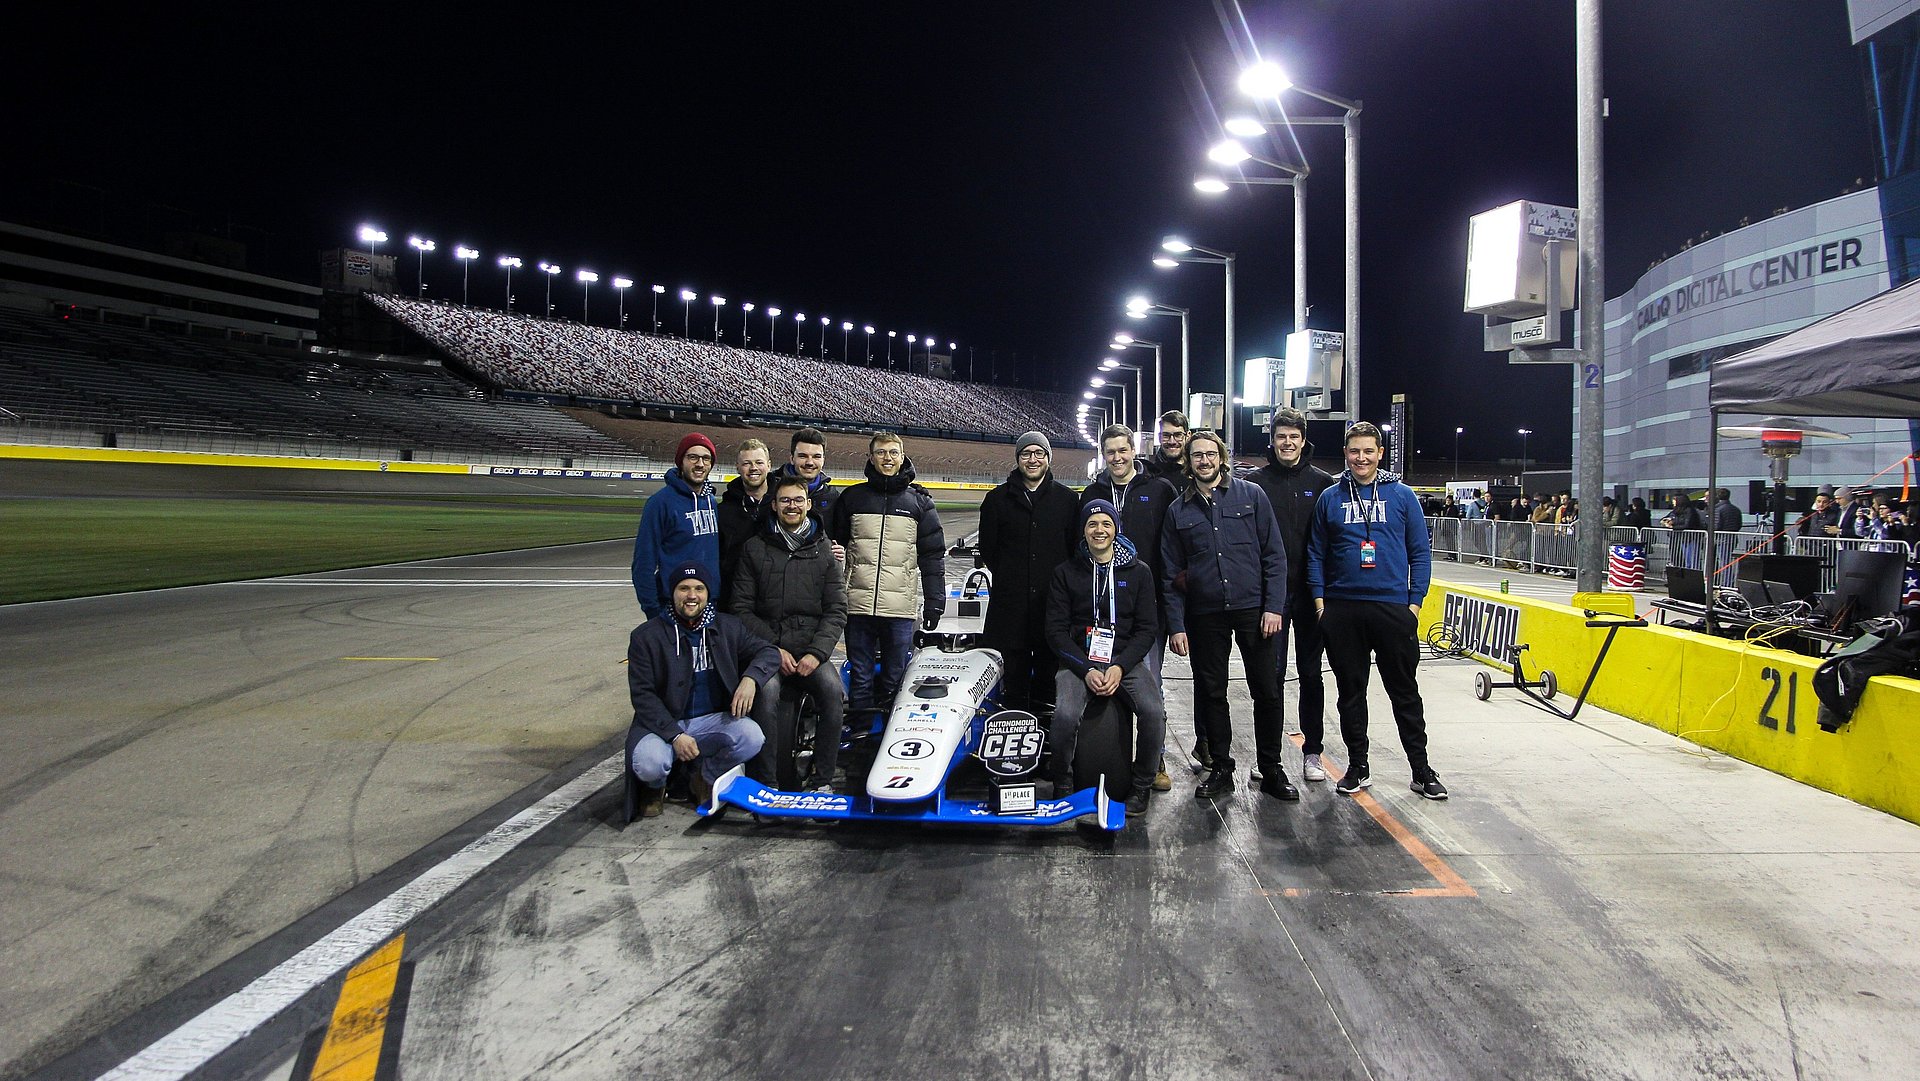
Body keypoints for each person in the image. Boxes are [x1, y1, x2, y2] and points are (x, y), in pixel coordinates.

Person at [1306, 421, 1446, 801]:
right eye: (1354, 451)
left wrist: (1413, 604)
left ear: (1380, 453)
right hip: (1343, 609)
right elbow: (1316, 552)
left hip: (1392, 608)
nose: (1361, 458)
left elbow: (1420, 552)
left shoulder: (1401, 496)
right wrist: (1321, 604)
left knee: (1405, 693)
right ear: (1346, 453)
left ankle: (1420, 769)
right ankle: (1358, 766)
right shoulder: (1330, 498)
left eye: (1368, 451)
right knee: (1351, 694)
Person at [1161, 428, 1293, 802]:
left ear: (1221, 457)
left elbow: (1274, 556)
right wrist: (1176, 625)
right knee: (1211, 691)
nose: (1204, 460)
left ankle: (1271, 768)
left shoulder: (1251, 495)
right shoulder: (1177, 510)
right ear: (1188, 462)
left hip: (1254, 610)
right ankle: (1221, 767)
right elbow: (1170, 574)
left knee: (1267, 690)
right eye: (1196, 455)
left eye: (1210, 454)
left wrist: (1273, 606)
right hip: (1205, 615)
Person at [625, 563, 780, 818]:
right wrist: (675, 735)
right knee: (649, 764)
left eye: (699, 588)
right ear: (672, 593)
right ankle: (655, 787)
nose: (692, 595)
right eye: (683, 588)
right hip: (665, 724)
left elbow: (769, 652)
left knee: (752, 736)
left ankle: (704, 775)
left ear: (708, 594)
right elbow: (643, 696)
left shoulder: (727, 626)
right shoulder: (646, 636)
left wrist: (751, 678)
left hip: (710, 721)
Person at [1045, 500, 1166, 816]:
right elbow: (1055, 632)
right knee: (1064, 717)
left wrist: (1121, 665)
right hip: (1078, 661)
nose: (1099, 530)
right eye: (1092, 524)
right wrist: (1085, 669)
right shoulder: (1066, 572)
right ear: (1084, 531)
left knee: (1154, 713)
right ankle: (1063, 785)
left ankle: (1141, 786)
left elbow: (1146, 628)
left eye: (1106, 524)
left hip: (1123, 660)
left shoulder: (1139, 572)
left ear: (1116, 530)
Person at [730, 473, 848, 792]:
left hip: (811, 650)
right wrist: (772, 648)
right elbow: (741, 609)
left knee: (833, 694)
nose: (792, 506)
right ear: (775, 505)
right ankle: (767, 782)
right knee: (765, 695)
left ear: (809, 505)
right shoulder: (755, 549)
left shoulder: (824, 552)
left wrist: (817, 653)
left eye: (798, 500)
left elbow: (837, 609)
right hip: (769, 651)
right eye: (785, 500)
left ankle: (822, 781)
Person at [1082, 422, 1179, 788]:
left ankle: (1155, 761)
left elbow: (1171, 547)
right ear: (1103, 456)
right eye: (1111, 452)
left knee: (1149, 685)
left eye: (1123, 450)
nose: (1117, 458)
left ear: (1134, 450)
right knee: (1106, 684)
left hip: (1146, 610)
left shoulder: (1160, 489)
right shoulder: (1093, 491)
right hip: (1099, 610)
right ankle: (1112, 756)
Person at [1244, 407, 1337, 783]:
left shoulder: (1324, 482)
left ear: (1303, 439)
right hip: (1271, 598)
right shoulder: (1255, 483)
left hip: (1311, 596)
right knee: (1271, 677)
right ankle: (1269, 756)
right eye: (1281, 436)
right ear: (1273, 440)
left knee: (1311, 674)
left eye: (1294, 436)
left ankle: (1312, 751)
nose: (1287, 443)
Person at [830, 430, 946, 719]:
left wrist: (935, 601)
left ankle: (888, 733)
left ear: (902, 456)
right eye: (881, 452)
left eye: (893, 452)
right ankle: (860, 729)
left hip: (899, 609)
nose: (887, 458)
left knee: (896, 676)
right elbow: (831, 548)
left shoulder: (919, 503)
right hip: (856, 605)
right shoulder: (852, 498)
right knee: (860, 673)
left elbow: (932, 557)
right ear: (871, 457)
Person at [978, 431, 1080, 717]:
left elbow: (1074, 552)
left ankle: (1047, 740)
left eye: (1039, 453)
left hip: (1053, 608)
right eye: (1026, 454)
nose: (1033, 459)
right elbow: (989, 550)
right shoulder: (997, 500)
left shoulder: (1068, 501)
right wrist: (1014, 578)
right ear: (1018, 459)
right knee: (1013, 684)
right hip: (1010, 611)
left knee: (1049, 682)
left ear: (1048, 458)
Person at [632, 432, 720, 619]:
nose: (700, 464)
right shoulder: (660, 503)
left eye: (706, 458)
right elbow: (643, 563)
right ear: (681, 461)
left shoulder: (711, 502)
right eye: (693, 457)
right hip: (672, 607)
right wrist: (653, 611)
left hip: (709, 605)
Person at [716, 438, 772, 605]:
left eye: (759, 462)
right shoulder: (723, 511)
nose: (753, 468)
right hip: (733, 602)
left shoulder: (784, 506)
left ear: (769, 465)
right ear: (738, 467)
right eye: (747, 463)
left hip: (774, 605)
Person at [1141, 410, 1189, 480]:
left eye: (1178, 435)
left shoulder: (1198, 472)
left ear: (1188, 436)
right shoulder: (1149, 476)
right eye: (1166, 435)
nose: (1172, 442)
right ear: (1159, 437)